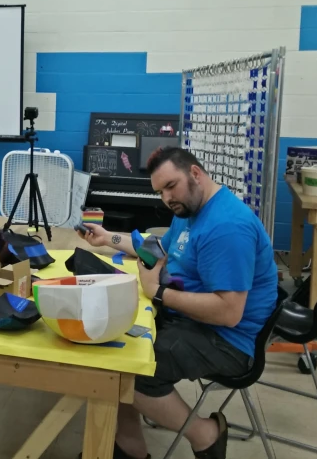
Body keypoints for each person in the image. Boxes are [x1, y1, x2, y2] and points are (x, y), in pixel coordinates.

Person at [79, 147, 278, 459]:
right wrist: (107, 238)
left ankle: (205, 434)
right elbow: (157, 250)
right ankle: (130, 448)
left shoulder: (226, 227)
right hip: (192, 320)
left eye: (171, 187)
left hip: (229, 342)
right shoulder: (190, 211)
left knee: (130, 367)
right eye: (160, 192)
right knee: (115, 346)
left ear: (195, 174)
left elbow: (228, 313)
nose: (167, 199)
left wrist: (157, 292)